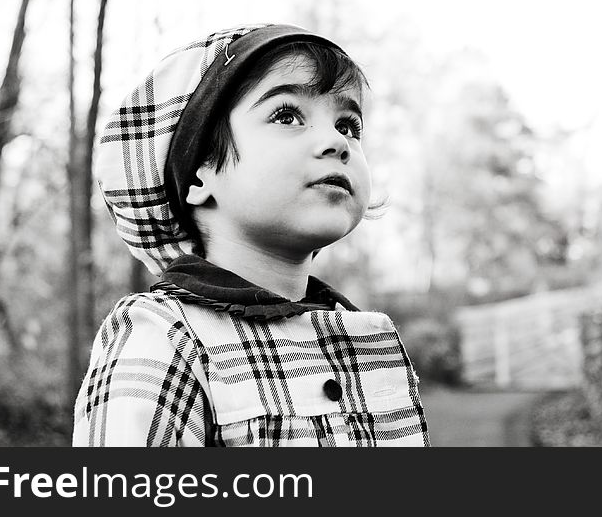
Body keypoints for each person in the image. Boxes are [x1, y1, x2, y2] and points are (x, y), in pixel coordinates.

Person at [73, 23, 429, 447]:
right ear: (201, 171)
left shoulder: (366, 339)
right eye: (287, 115)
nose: (337, 142)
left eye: (348, 124)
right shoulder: (164, 337)